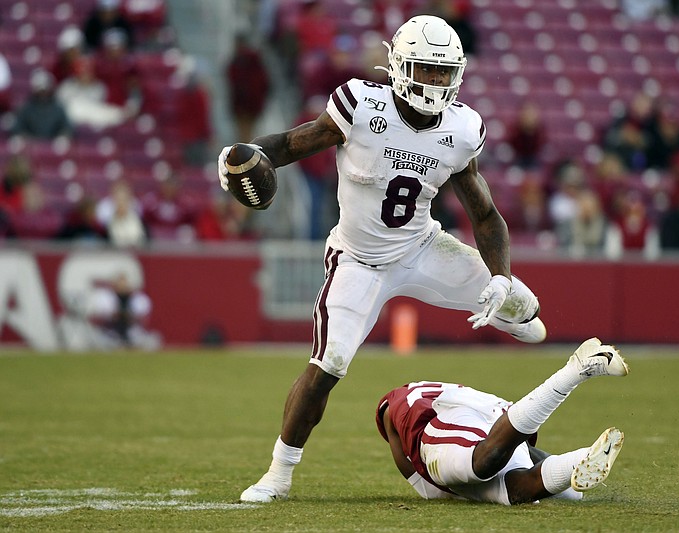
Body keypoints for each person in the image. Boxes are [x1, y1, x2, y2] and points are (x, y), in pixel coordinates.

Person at [217, 15, 547, 503]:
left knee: (521, 303)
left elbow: (486, 214)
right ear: (398, 65)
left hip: (422, 247)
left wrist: (500, 278)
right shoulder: (361, 105)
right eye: (426, 69)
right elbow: (291, 143)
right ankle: (279, 473)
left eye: (443, 72)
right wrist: (244, 154)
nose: (435, 82)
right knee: (328, 363)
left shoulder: (460, 130)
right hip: (358, 260)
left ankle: (515, 314)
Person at [376, 337, 629, 505]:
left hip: (452, 413)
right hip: (495, 415)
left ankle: (578, 369)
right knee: (517, 491)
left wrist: (432, 485)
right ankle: (580, 461)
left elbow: (392, 421)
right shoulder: (406, 407)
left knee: (482, 463)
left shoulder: (397, 405)